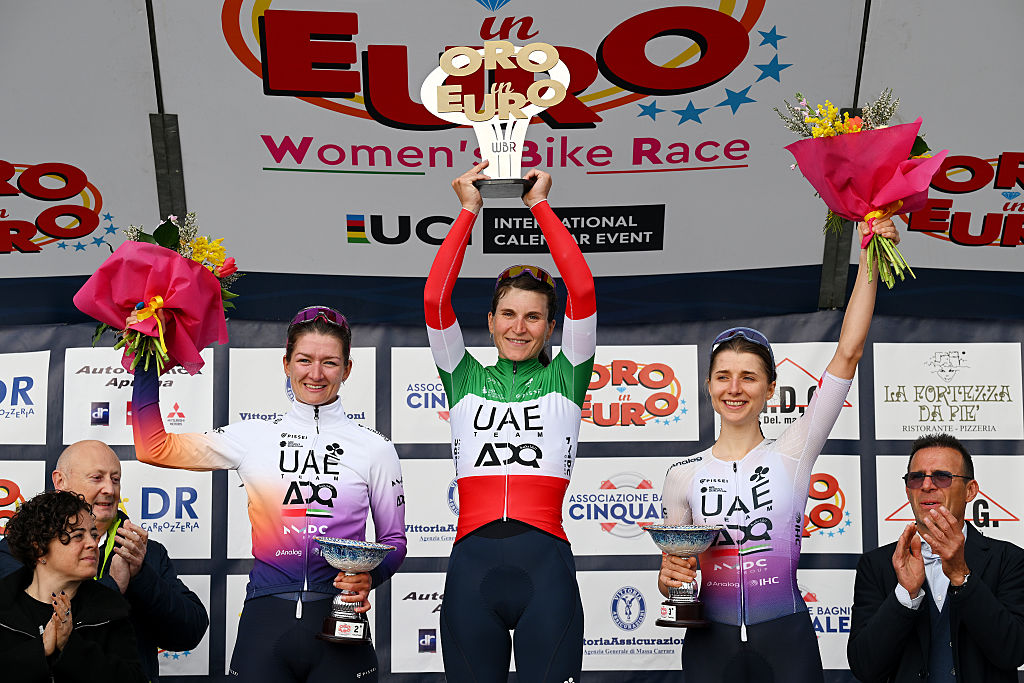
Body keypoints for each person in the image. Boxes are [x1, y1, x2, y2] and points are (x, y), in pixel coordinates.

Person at [658, 218, 898, 681]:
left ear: (770, 389)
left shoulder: (794, 450)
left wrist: (869, 251)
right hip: (709, 643)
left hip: (785, 639)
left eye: (748, 377)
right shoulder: (681, 474)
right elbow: (676, 576)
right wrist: (670, 582)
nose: (734, 388)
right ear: (707, 385)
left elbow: (848, 352)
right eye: (723, 376)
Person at [130, 304, 406, 682]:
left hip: (341, 621)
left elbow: (394, 540)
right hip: (266, 620)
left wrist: (368, 579)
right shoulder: (253, 437)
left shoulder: (375, 448)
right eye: (304, 360)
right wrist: (148, 356)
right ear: (286, 363)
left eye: (329, 362)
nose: (315, 373)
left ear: (347, 369)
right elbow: (152, 447)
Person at [424, 163, 596, 682]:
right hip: (471, 571)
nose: (519, 328)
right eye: (508, 315)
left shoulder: (568, 377)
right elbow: (436, 300)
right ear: (491, 320)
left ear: (550, 326)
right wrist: (468, 209)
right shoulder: (462, 375)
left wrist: (539, 204)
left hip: (546, 570)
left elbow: (583, 291)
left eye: (534, 316)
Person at [0, 440, 208, 683]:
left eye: (116, 479)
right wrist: (114, 585)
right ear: (60, 482)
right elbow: (33, 624)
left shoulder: (146, 554)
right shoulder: (18, 550)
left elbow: (189, 632)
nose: (110, 489)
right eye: (97, 478)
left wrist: (141, 576)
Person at [848, 433, 1024, 682]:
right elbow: (864, 666)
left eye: (942, 477)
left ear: (970, 490)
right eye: (916, 477)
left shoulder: (1010, 560)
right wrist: (905, 597)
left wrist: (962, 576)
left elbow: (1013, 652)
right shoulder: (876, 565)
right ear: (908, 489)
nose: (927, 485)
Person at [0, 489, 146, 682]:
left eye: (94, 535)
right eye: (78, 536)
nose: (93, 544)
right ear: (39, 547)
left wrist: (71, 645)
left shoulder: (110, 610)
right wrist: (41, 649)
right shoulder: (3, 608)